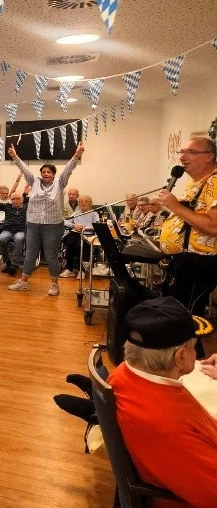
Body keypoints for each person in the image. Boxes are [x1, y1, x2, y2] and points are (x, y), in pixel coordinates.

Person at [108, 297, 217, 506]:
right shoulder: (168, 427)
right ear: (180, 357)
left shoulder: (123, 374)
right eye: (194, 347)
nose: (197, 354)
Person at [6, 142, 85, 295]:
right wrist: (15, 157)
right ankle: (24, 281)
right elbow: (25, 169)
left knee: (51, 255)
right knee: (30, 253)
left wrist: (76, 155)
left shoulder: (60, 183)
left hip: (53, 225)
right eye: (44, 172)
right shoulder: (34, 182)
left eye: (49, 172)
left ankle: (55, 284)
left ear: (54, 174)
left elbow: (68, 170)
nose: (46, 174)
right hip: (33, 224)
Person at [158, 136, 217, 317]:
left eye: (191, 152)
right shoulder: (197, 182)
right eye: (182, 152)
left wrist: (175, 206)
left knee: (185, 317)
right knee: (177, 316)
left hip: (200, 262)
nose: (183, 157)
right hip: (185, 261)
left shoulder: (215, 182)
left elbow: (215, 227)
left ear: (209, 156)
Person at [0, 181, 28, 276]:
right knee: (0, 240)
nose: (15, 201)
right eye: (13, 199)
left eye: (18, 199)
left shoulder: (26, 208)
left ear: (21, 200)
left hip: (21, 231)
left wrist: (25, 194)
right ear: (11, 200)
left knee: (18, 239)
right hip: (8, 230)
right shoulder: (7, 206)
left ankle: (14, 265)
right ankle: (8, 262)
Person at [59, 195, 99, 277]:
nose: (83, 203)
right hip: (75, 233)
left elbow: (97, 225)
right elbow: (65, 222)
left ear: (90, 203)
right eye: (81, 202)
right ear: (79, 203)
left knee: (79, 245)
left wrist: (85, 227)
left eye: (86, 202)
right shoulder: (76, 213)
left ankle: (82, 270)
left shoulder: (94, 214)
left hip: (87, 235)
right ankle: (69, 269)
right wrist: (74, 225)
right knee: (69, 243)